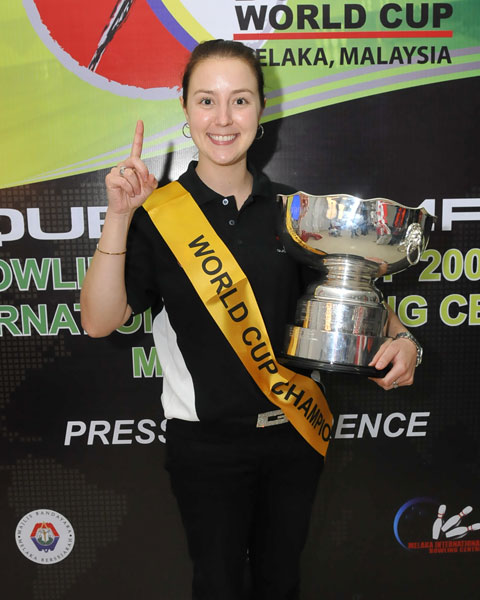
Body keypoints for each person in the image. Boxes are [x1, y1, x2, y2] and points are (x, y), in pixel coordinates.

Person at [80, 39, 420, 600]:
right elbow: (98, 321)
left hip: (294, 432)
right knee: (217, 585)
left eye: (239, 100)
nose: (223, 118)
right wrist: (119, 216)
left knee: (280, 583)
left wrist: (406, 341)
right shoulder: (157, 215)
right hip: (204, 446)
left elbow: (351, 293)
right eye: (206, 100)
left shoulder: (298, 214)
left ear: (261, 110)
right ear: (185, 109)